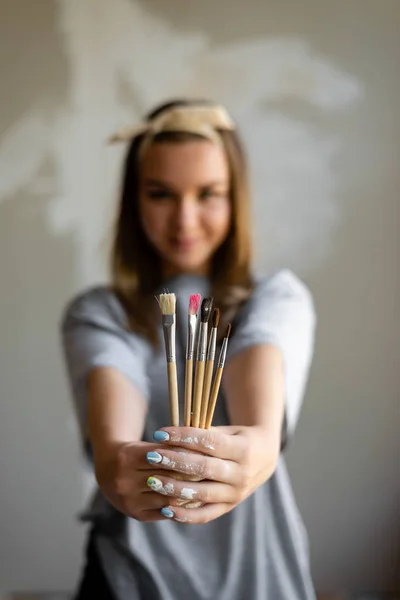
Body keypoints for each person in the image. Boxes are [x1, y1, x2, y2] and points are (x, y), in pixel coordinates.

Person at [61, 99, 317, 600]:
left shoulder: (277, 298)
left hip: (256, 571)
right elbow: (114, 447)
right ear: (133, 200)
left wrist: (255, 452)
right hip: (129, 576)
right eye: (161, 194)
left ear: (236, 198)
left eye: (209, 194)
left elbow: (259, 425)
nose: (185, 219)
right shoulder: (98, 312)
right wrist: (119, 468)